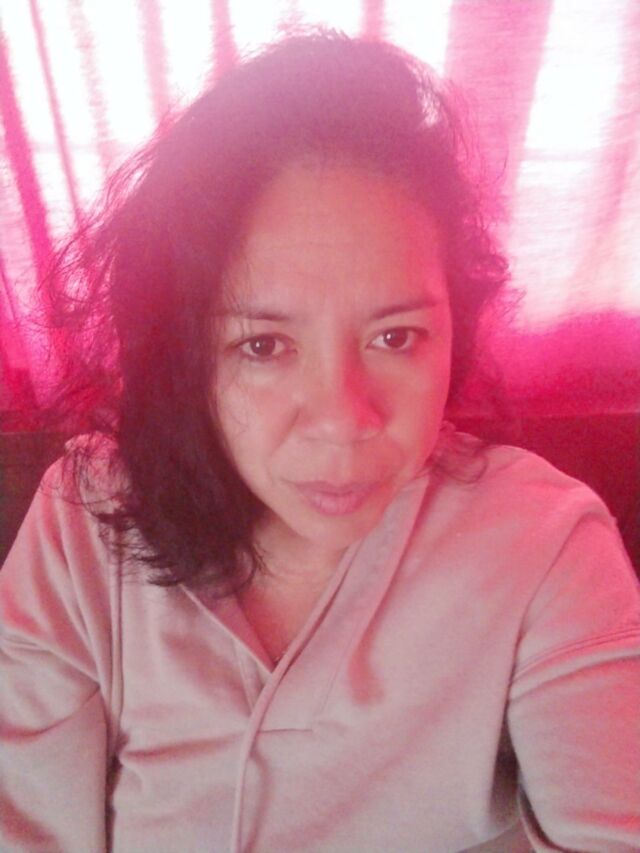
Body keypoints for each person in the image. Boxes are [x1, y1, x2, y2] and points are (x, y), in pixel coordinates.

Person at [1, 30, 639, 853]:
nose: (343, 419)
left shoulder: (544, 545)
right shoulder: (84, 523)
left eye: (396, 336)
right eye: (263, 345)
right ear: (185, 350)